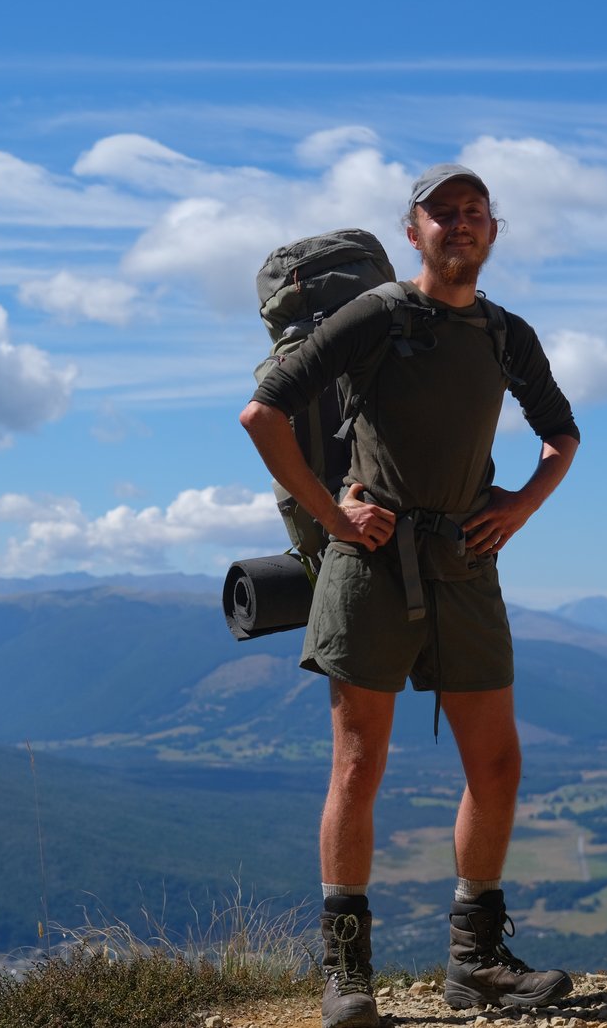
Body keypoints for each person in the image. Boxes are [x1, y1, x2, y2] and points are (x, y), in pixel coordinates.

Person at [239, 164, 581, 1028]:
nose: (459, 226)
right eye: (442, 214)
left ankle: (476, 963)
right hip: (371, 564)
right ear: (413, 229)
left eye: (474, 213)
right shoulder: (382, 315)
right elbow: (264, 414)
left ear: (493, 231)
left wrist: (521, 507)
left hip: (466, 560)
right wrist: (333, 518)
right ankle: (347, 978)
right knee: (358, 766)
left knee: (497, 765)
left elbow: (562, 432)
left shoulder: (507, 335)